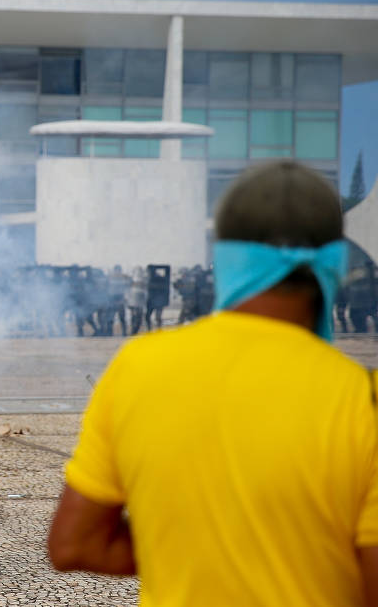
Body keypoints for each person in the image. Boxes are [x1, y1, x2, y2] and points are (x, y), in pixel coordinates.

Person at [48, 161, 378, 605]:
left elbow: (75, 544)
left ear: (226, 257)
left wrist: (192, 547)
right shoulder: (363, 398)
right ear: (335, 261)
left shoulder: (139, 366)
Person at [125, 266, 147, 335]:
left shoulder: (144, 281)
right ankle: (133, 331)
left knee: (138, 319)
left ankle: (134, 331)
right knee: (134, 318)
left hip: (139, 303)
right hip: (133, 303)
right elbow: (127, 291)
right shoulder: (131, 281)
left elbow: (146, 293)